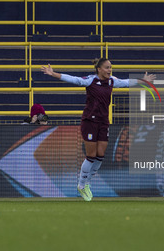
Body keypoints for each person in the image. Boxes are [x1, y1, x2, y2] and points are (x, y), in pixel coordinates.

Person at [41, 58, 156, 201]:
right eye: (107, 68)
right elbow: (74, 79)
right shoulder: (90, 81)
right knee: (91, 155)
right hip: (90, 121)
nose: (109, 70)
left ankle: (87, 183)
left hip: (103, 122)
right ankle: (82, 185)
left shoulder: (112, 81)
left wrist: (143, 80)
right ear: (99, 69)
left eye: (110, 67)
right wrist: (54, 74)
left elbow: (126, 82)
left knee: (100, 155)